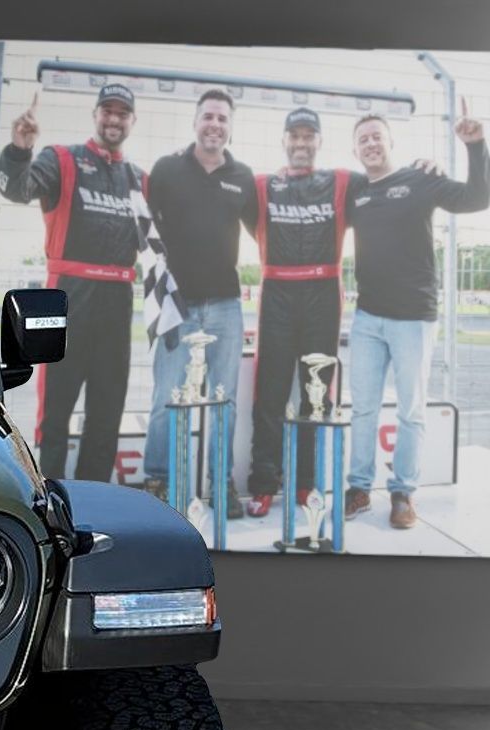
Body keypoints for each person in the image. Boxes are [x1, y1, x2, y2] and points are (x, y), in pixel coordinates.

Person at [345, 101, 487, 529]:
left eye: (377, 136)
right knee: (363, 409)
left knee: (412, 411)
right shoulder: (355, 191)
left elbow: (477, 198)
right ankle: (358, 487)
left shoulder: (421, 177)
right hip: (367, 318)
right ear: (355, 150)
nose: (371, 143)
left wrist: (476, 146)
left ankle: (404, 493)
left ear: (390, 142)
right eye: (362, 139)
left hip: (413, 318)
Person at [0, 83, 143, 481]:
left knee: (107, 409)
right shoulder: (61, 159)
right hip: (69, 298)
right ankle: (52, 496)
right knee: (56, 410)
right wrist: (18, 151)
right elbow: (17, 188)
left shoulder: (138, 179)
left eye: (122, 113)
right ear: (96, 115)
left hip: (118, 302)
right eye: (107, 111)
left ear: (132, 121)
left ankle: (97, 496)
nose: (114, 119)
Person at [142, 89, 257, 519]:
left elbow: (266, 232)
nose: (215, 124)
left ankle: (221, 483)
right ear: (196, 121)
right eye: (209, 116)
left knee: (222, 399)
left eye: (223, 119)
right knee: (166, 397)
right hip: (177, 302)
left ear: (230, 126)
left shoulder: (243, 176)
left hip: (227, 304)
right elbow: (143, 230)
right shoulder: (168, 169)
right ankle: (156, 479)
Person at [243, 108, 353, 518]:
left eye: (310, 136)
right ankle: (264, 483)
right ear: (285, 141)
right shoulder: (259, 186)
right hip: (277, 294)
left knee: (315, 396)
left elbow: (384, 191)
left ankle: (306, 483)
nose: (302, 143)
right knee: (269, 395)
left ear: (319, 142)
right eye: (295, 136)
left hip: (324, 296)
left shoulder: (341, 182)